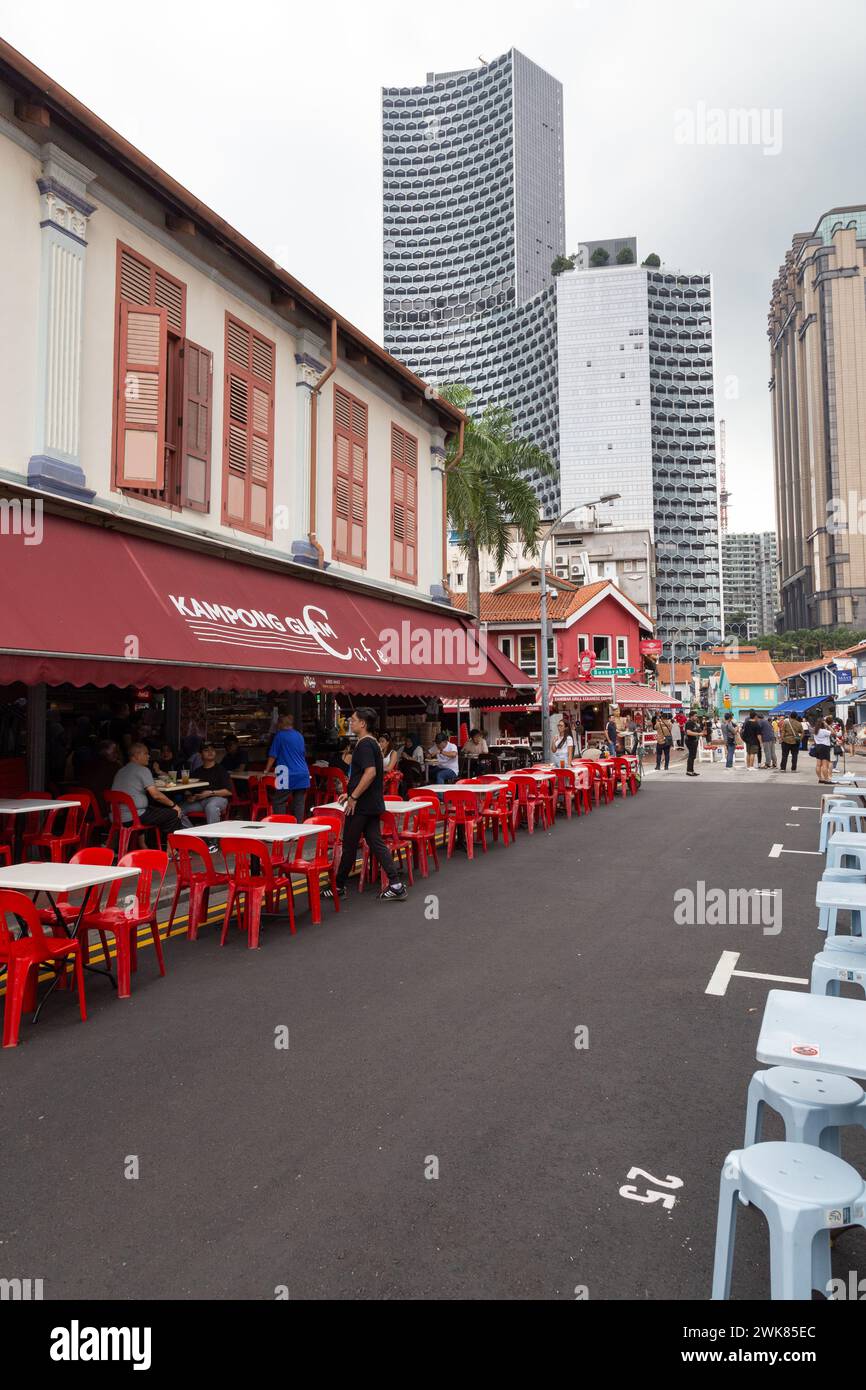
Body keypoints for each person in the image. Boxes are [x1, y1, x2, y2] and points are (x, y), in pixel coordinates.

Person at [323, 707, 407, 903]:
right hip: (370, 803)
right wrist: (350, 792)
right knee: (375, 842)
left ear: (363, 723)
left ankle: (338, 886)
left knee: (350, 845)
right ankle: (395, 885)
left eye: (352, 720)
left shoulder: (365, 745)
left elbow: (370, 773)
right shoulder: (369, 744)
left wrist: (353, 797)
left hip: (361, 805)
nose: (350, 722)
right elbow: (364, 775)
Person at [111, 742, 190, 834]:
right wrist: (174, 805)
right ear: (136, 755)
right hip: (134, 816)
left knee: (155, 809)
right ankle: (171, 847)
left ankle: (144, 844)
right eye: (145, 753)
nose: (148, 756)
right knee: (174, 814)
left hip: (116, 817)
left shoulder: (121, 771)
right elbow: (156, 795)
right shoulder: (142, 770)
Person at [264, 710, 310, 821]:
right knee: (299, 803)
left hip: (285, 773)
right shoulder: (299, 735)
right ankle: (298, 830)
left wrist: (266, 770)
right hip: (303, 772)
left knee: (279, 801)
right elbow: (303, 753)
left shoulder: (280, 736)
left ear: (280, 724)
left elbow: (273, 755)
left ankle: (282, 826)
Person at [182, 742, 232, 825]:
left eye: (212, 750)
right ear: (200, 754)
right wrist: (190, 796)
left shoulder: (221, 770)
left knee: (211, 807)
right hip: (199, 801)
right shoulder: (197, 772)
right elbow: (190, 790)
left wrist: (210, 793)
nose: (210, 752)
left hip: (217, 798)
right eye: (206, 750)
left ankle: (213, 837)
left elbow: (228, 792)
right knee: (178, 809)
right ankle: (192, 834)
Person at [79, 738, 122, 816]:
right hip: (102, 807)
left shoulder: (88, 764)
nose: (117, 754)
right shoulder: (112, 767)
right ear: (103, 751)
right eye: (114, 751)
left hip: (85, 807)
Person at [812, 717, 834, 784]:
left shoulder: (815, 730)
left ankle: (820, 778)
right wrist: (828, 726)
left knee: (818, 764)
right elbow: (833, 733)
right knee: (825, 764)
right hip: (825, 747)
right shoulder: (824, 731)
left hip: (818, 746)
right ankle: (826, 779)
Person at [684, 710, 704, 777]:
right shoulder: (689, 723)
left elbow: (700, 730)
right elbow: (688, 732)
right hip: (690, 741)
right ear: (691, 716)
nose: (696, 717)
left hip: (694, 741)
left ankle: (691, 770)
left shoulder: (694, 723)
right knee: (691, 756)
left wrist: (703, 731)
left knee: (693, 756)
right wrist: (698, 733)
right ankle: (689, 771)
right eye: (695, 716)